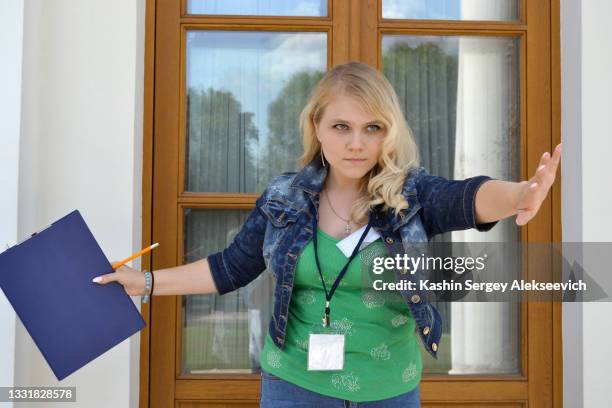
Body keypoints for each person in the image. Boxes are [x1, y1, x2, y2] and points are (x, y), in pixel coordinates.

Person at [93, 61, 562, 407]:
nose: (356, 143)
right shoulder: (284, 197)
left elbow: (466, 197)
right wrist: (147, 282)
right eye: (341, 126)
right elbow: (231, 267)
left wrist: (521, 193)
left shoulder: (411, 193)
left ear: (387, 133)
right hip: (294, 385)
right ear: (317, 127)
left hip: (389, 388)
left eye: (371, 128)